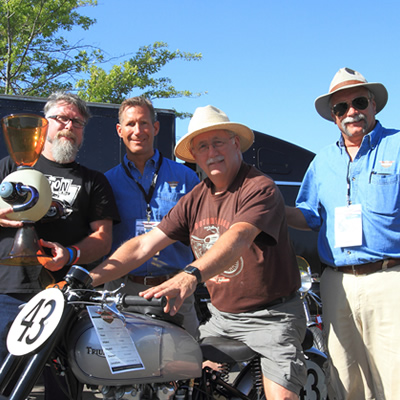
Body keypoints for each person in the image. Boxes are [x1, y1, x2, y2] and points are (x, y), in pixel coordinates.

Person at [90, 105, 307, 399]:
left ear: (235, 144)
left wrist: (190, 274)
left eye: (218, 142)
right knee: (185, 386)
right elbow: (144, 244)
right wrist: (87, 279)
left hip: (271, 316)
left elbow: (239, 237)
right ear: (195, 155)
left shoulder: (259, 187)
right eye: (202, 146)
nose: (212, 152)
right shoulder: (195, 198)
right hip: (222, 318)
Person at [286, 67, 400, 400]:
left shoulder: (397, 145)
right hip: (336, 283)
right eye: (341, 107)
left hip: (389, 278)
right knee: (344, 377)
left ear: (374, 105)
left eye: (359, 102)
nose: (351, 111)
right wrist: (267, 209)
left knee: (395, 376)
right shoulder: (322, 161)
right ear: (334, 116)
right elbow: (308, 216)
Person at [0, 92, 120, 397]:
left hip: (64, 297)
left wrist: (70, 254)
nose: (69, 125)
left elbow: (102, 238)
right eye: (61, 118)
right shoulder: (9, 168)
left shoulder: (94, 181)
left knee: (62, 390)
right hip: (5, 292)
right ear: (44, 124)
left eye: (77, 122)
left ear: (83, 133)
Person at [104, 96, 200, 337]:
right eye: (130, 124)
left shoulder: (186, 178)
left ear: (155, 128)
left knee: (186, 364)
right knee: (122, 365)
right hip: (122, 289)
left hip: (174, 288)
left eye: (144, 123)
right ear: (119, 130)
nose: (138, 131)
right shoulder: (106, 182)